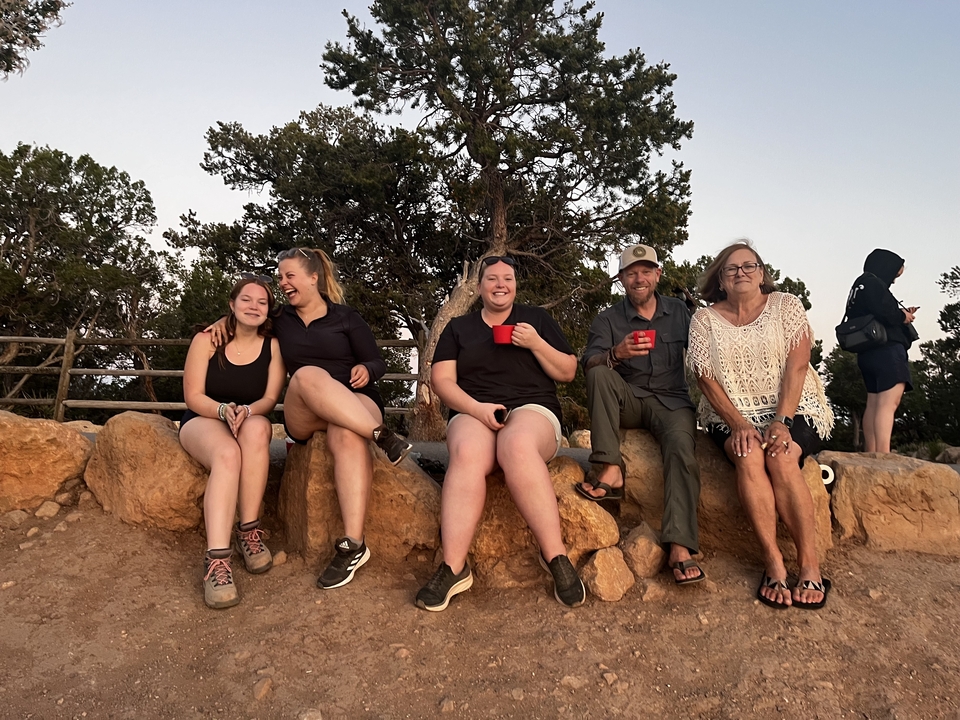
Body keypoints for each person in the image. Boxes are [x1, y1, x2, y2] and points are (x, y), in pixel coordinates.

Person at [209, 248, 412, 591]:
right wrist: (223, 322)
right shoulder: (279, 320)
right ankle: (381, 435)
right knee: (305, 375)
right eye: (280, 277)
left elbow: (377, 362)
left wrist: (366, 369)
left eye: (289, 276)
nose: (283, 283)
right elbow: (248, 317)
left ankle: (353, 544)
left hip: (353, 401)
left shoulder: (347, 317)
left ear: (313, 277)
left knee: (347, 435)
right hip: (305, 410)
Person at [415, 256, 585, 611]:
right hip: (473, 410)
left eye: (507, 278)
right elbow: (442, 381)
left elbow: (568, 370)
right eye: (491, 279)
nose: (500, 284)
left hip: (532, 410)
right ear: (479, 288)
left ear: (515, 284)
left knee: (517, 445)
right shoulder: (460, 328)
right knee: (466, 453)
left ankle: (555, 556)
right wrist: (476, 409)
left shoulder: (536, 319)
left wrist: (536, 343)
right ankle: (453, 567)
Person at [688, 241, 835, 610]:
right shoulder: (704, 319)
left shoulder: (786, 306)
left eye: (749, 266)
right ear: (720, 279)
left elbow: (798, 365)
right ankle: (773, 562)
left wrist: (782, 422)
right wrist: (737, 423)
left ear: (762, 273)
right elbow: (704, 376)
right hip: (730, 414)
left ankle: (810, 565)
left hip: (795, 407)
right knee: (750, 455)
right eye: (731, 268)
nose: (741, 273)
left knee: (782, 458)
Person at [579, 243, 705, 585]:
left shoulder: (680, 311)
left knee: (681, 448)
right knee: (601, 373)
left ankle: (680, 546)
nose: (639, 278)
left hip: (672, 403)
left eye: (646, 271)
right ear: (621, 279)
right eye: (631, 272)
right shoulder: (607, 319)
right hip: (630, 399)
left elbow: (709, 349)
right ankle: (609, 467)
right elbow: (589, 363)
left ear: (658, 275)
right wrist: (616, 353)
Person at [180, 274, 286, 609]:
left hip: (247, 416)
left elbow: (271, 397)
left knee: (259, 429)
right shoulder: (208, 340)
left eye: (262, 302)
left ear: (269, 309)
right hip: (204, 418)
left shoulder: (273, 345)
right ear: (232, 304)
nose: (254, 307)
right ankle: (217, 560)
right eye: (246, 300)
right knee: (227, 455)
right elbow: (193, 395)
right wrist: (223, 409)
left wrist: (248, 411)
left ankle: (249, 532)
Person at [843, 249, 917, 453]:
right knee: (888, 402)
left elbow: (869, 311)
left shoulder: (860, 285)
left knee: (874, 402)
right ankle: (884, 454)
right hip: (887, 351)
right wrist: (903, 317)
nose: (893, 280)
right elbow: (886, 313)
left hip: (867, 352)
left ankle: (872, 452)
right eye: (895, 274)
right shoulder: (875, 284)